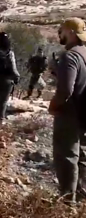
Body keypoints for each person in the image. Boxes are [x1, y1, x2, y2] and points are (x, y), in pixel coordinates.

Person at [48, 17, 86, 205]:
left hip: (70, 113)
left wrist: (54, 105)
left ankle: (66, 202)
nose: (59, 34)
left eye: (61, 30)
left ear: (71, 32)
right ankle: (81, 197)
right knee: (83, 156)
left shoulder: (70, 56)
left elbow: (66, 90)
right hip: (84, 112)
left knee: (67, 156)